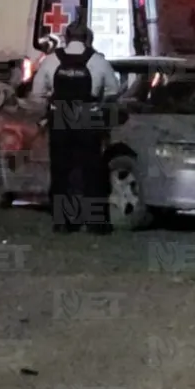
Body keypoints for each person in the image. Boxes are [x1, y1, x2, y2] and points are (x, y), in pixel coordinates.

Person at [30, 23, 121, 234]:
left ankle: (63, 222)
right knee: (92, 172)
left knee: (62, 171)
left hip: (61, 119)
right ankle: (96, 222)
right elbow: (113, 90)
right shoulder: (97, 60)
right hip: (88, 119)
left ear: (66, 37)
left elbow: (37, 92)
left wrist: (50, 106)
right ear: (89, 38)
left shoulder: (52, 60)